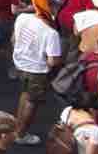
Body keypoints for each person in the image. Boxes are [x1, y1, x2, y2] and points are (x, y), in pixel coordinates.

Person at [11, 8, 62, 145]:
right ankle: (20, 134)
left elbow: (14, 39)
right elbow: (53, 61)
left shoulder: (22, 17)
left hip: (20, 65)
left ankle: (17, 127)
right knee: (32, 102)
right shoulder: (51, 34)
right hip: (37, 71)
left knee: (25, 94)